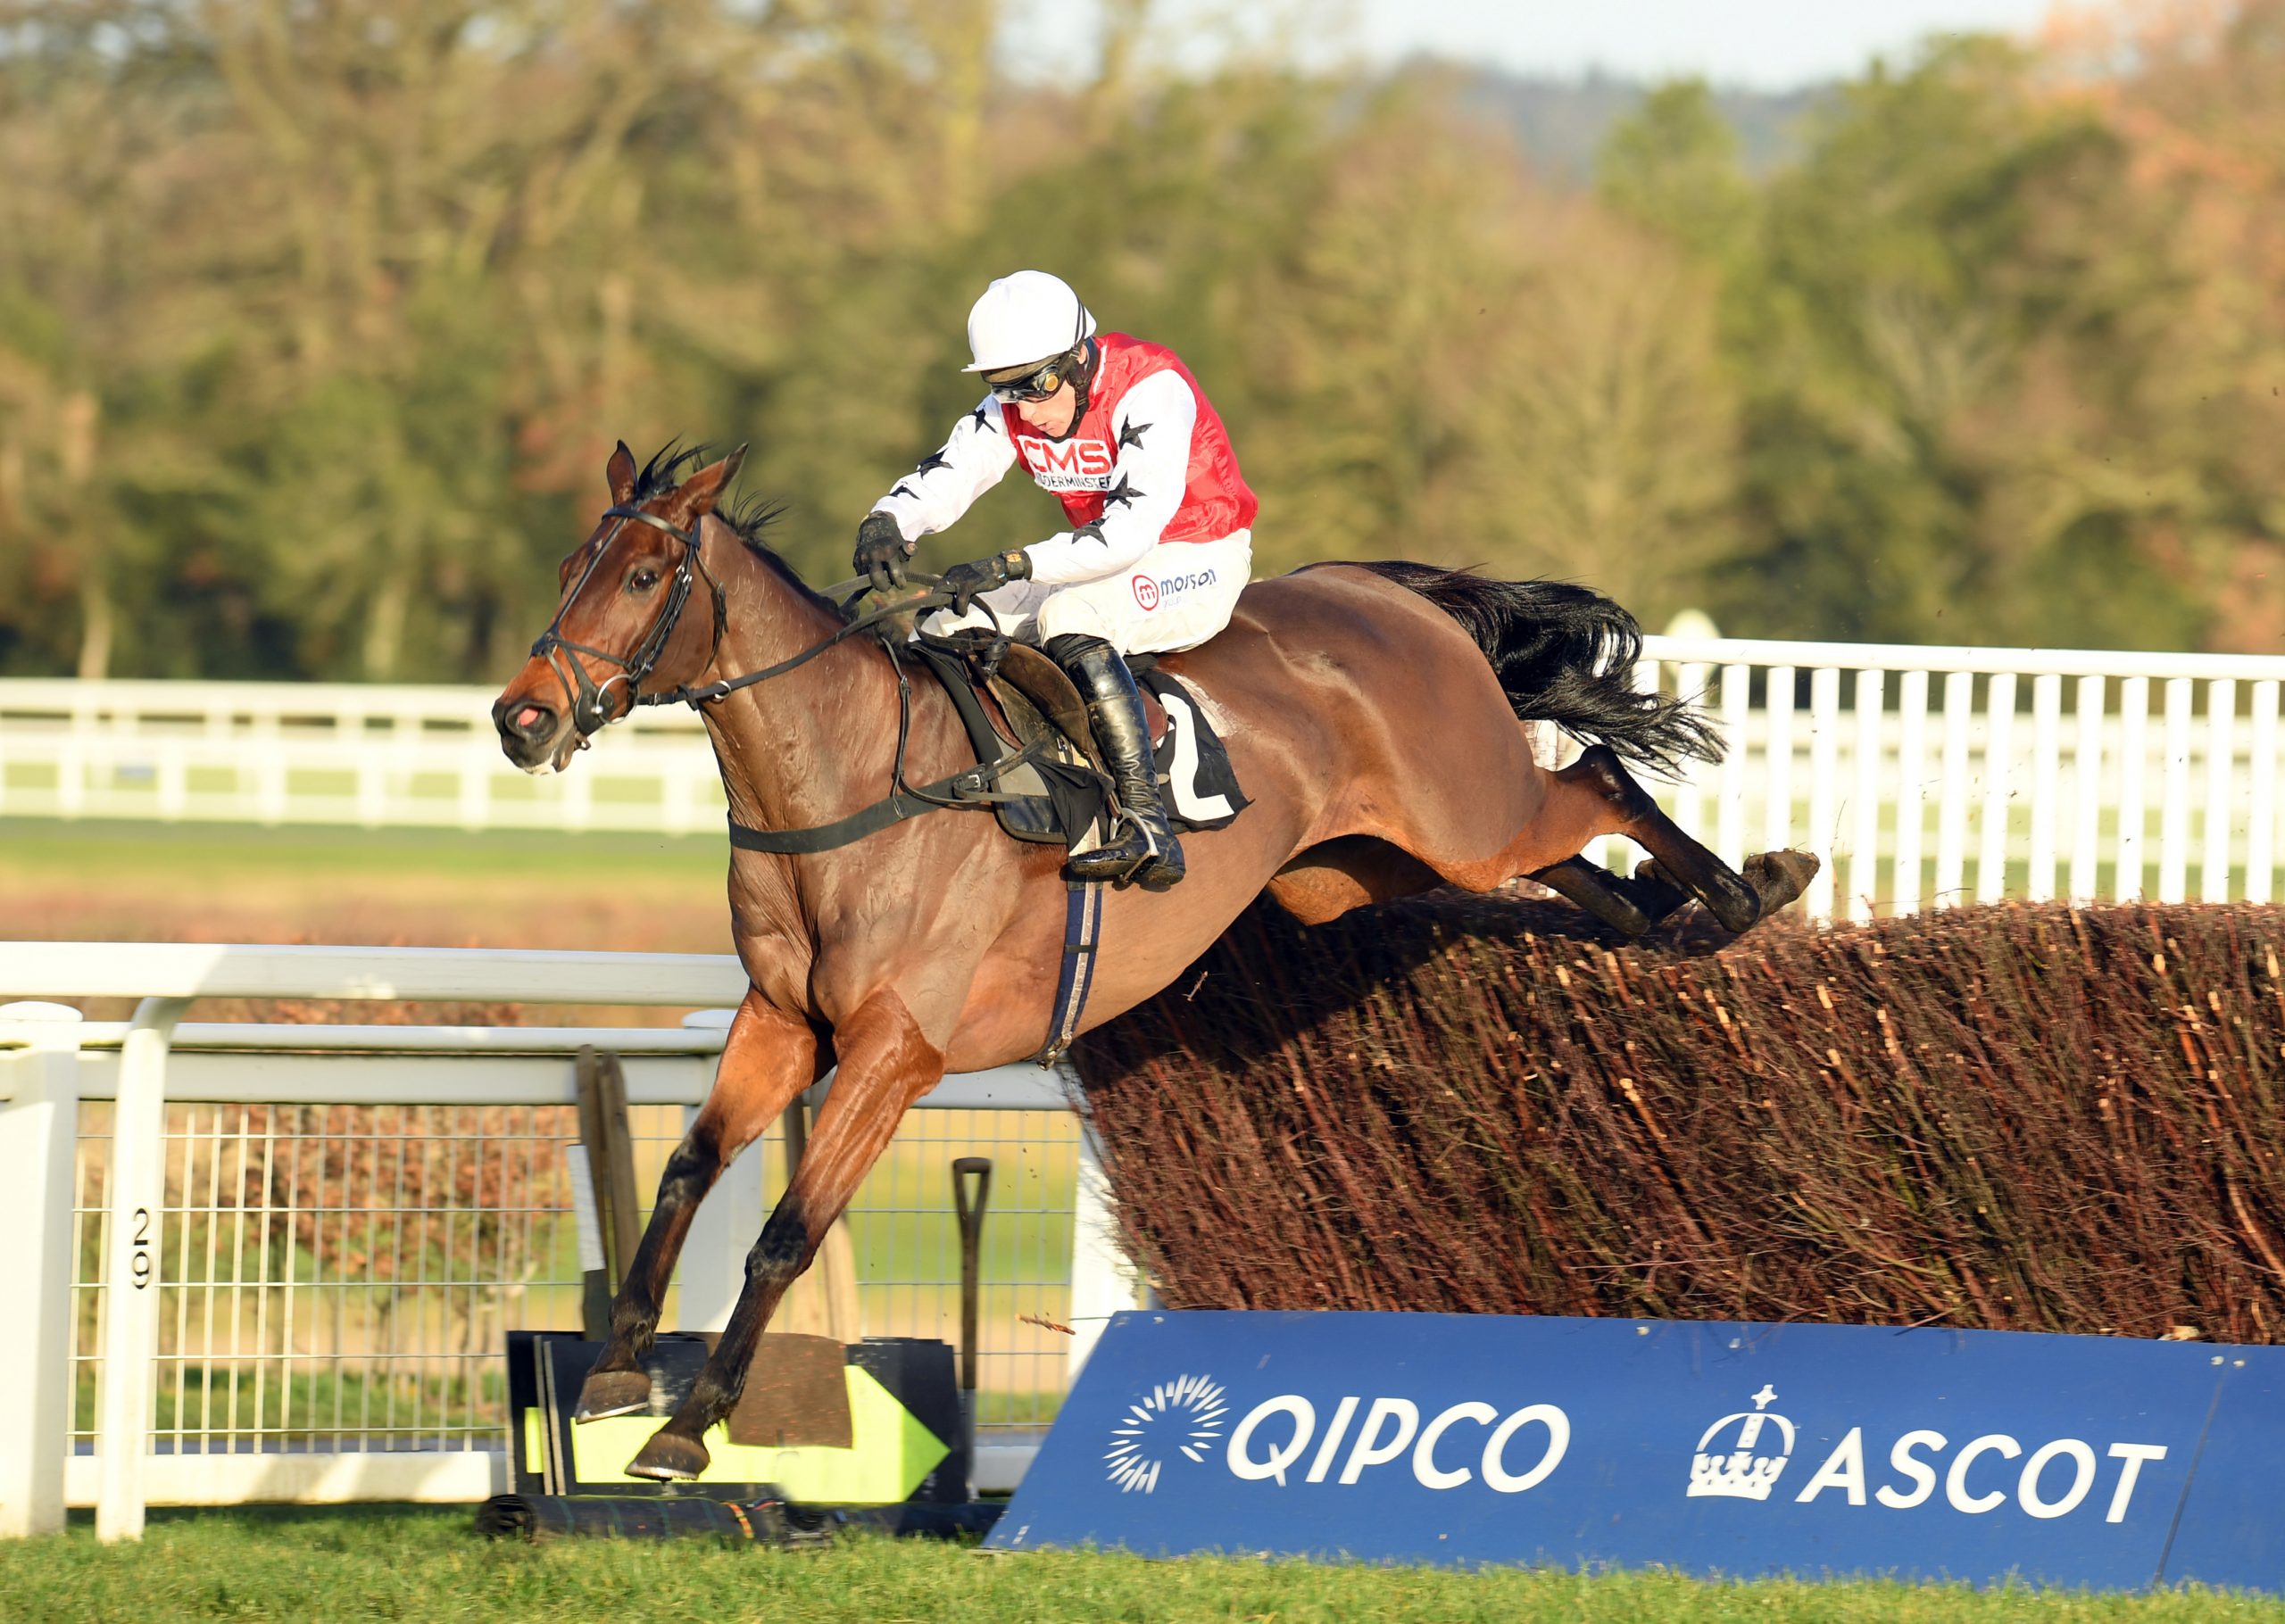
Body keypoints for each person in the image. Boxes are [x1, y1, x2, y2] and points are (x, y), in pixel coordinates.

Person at [852, 269, 1257, 891]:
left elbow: (1131, 532)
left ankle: (1147, 824)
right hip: (1108, 564)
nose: (1029, 410)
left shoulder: (1152, 388)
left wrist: (1012, 564)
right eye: (1006, 391)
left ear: (1079, 357)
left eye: (1038, 387)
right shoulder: (1017, 403)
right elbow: (955, 471)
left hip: (1197, 556)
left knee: (1071, 618)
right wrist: (888, 519)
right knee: (946, 622)